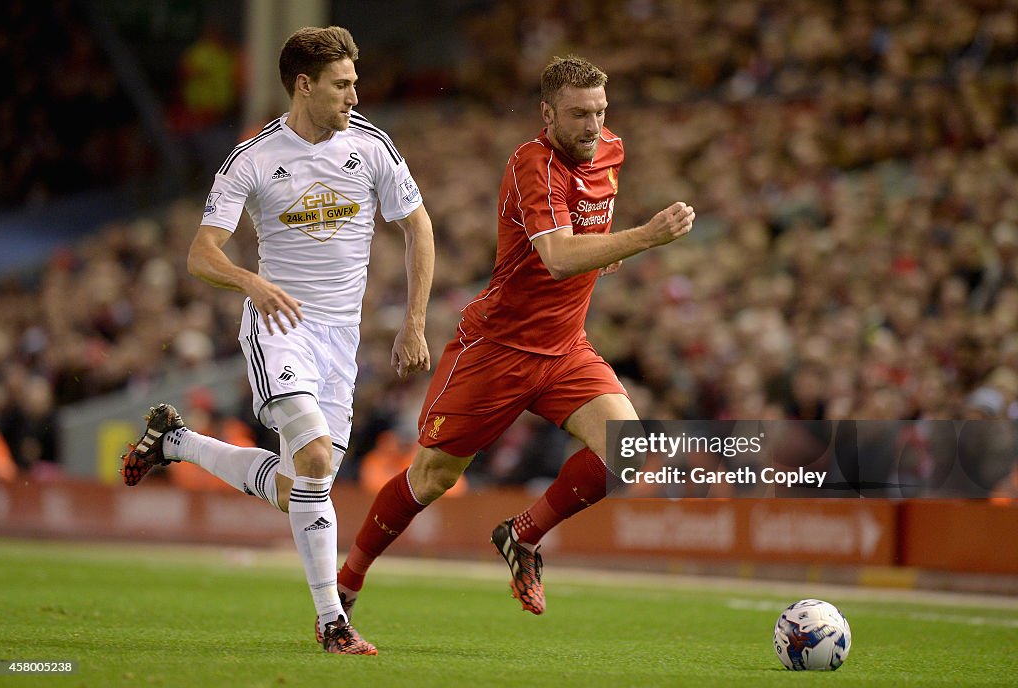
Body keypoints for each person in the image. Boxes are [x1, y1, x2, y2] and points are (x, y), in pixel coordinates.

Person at [335, 55, 694, 619]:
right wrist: (644, 237)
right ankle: (347, 581)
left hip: (565, 347)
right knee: (431, 478)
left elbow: (583, 236)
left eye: (600, 112)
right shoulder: (532, 162)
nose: (592, 126)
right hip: (498, 348)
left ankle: (521, 536)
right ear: (547, 113)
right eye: (578, 114)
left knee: (626, 451)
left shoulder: (611, 151)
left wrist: (605, 251)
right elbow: (555, 257)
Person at [119, 25, 434, 655]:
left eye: (355, 82)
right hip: (279, 328)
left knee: (300, 489)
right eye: (342, 84)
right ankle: (331, 622)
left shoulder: (371, 145)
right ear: (304, 84)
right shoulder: (253, 159)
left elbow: (418, 228)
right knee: (315, 460)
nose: (354, 94)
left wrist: (415, 320)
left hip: (342, 341)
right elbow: (201, 254)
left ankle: (175, 441)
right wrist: (250, 283)